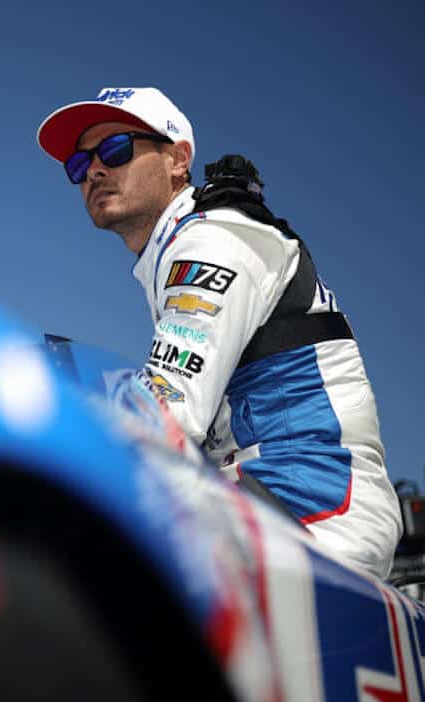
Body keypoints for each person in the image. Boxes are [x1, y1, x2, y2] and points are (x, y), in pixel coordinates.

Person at [36, 86, 402, 576]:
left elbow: (164, 414)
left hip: (313, 515)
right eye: (79, 168)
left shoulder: (213, 239)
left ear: (177, 160)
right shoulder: (181, 248)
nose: (95, 171)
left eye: (116, 150)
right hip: (266, 508)